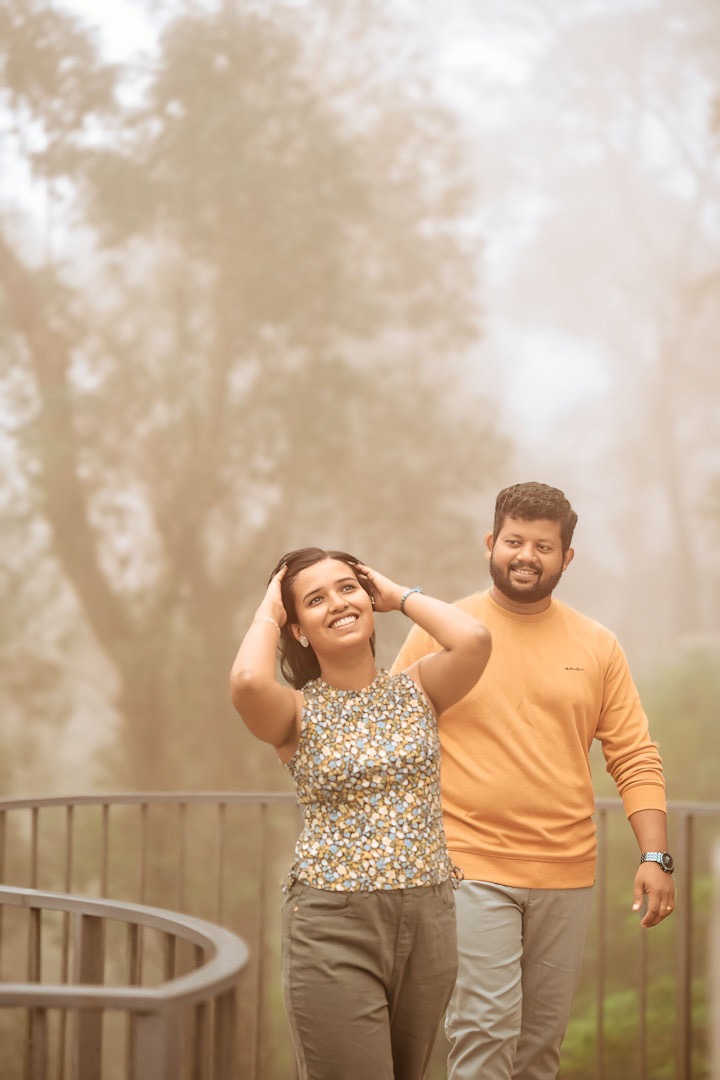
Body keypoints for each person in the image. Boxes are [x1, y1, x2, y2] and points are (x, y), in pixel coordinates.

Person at [392, 482, 675, 1080]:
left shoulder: (598, 646)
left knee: (538, 1049)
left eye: (543, 546)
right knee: (485, 1030)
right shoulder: (445, 628)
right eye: (514, 541)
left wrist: (655, 854)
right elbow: (391, 738)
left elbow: (634, 754)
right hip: (468, 864)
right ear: (491, 543)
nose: (526, 555)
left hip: (565, 870)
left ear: (566, 558)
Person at [229, 546, 492, 1080]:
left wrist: (397, 594)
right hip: (333, 926)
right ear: (299, 628)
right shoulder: (296, 712)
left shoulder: (419, 689)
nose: (338, 604)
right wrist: (268, 610)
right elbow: (249, 683)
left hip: (429, 919)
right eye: (315, 599)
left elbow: (475, 639)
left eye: (348, 588)